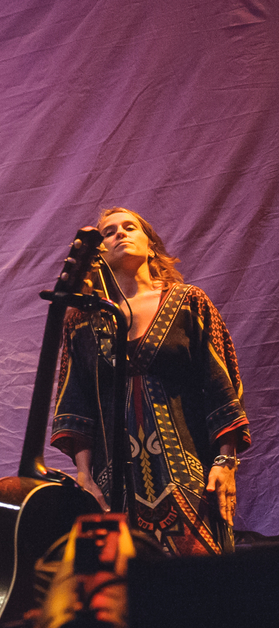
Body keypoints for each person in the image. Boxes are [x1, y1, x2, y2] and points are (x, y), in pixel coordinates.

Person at [51, 208, 250, 556]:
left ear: (151, 245)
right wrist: (83, 477)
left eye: (130, 227)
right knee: (127, 595)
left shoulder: (190, 302)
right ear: (98, 253)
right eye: (109, 232)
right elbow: (76, 403)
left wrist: (226, 462)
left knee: (202, 588)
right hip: (113, 486)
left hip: (189, 475)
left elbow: (222, 385)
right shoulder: (82, 322)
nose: (119, 234)